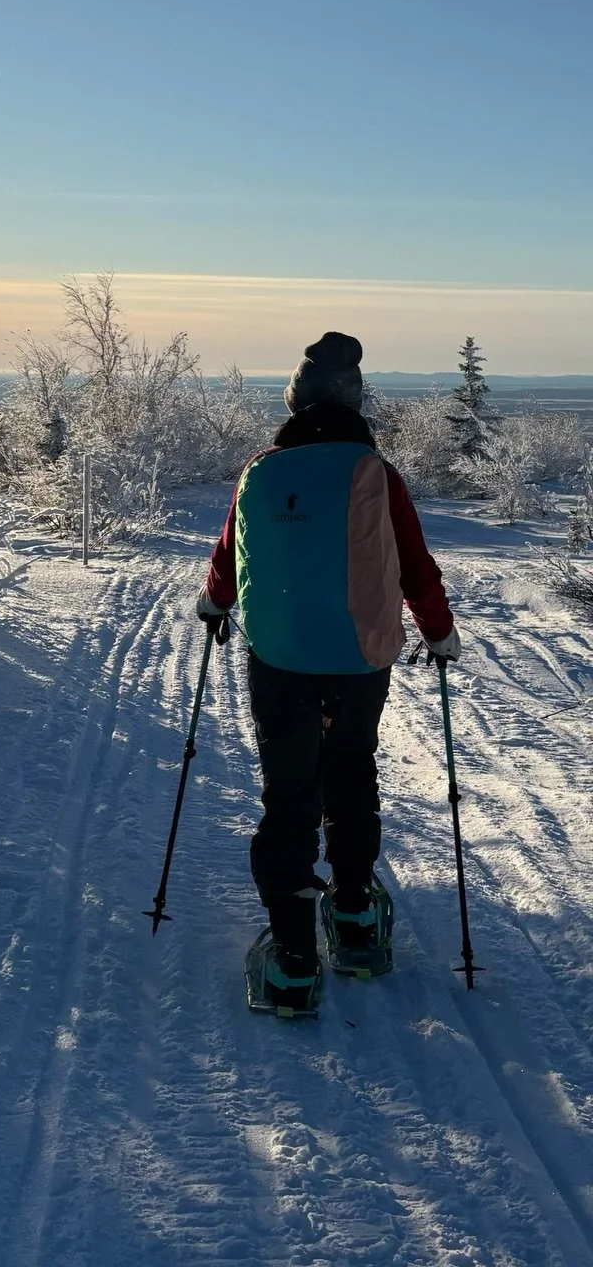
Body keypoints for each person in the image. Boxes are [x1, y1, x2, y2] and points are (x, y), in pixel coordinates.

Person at [197, 331, 459, 1010]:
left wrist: (214, 604)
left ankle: (290, 962)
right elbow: (414, 564)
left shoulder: (263, 469)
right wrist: (441, 634)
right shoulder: (375, 471)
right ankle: (353, 918)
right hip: (359, 657)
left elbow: (232, 552)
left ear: (294, 403)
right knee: (350, 770)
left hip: (279, 656)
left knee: (289, 794)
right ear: (356, 404)